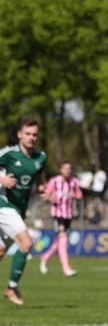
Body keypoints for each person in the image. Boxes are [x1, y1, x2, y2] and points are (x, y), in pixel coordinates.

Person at [0, 119, 48, 306]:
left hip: (17, 210)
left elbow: (40, 176)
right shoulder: (9, 153)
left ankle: (11, 287)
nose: (31, 138)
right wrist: (2, 180)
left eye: (35, 134)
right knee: (26, 243)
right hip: (3, 204)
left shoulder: (40, 157)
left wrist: (44, 189)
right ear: (20, 134)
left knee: (1, 250)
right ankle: (11, 287)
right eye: (28, 134)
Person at [39, 161, 82, 277]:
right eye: (65, 169)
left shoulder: (74, 181)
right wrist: (50, 197)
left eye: (69, 169)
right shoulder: (54, 181)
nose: (68, 171)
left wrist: (74, 195)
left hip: (68, 215)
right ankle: (66, 268)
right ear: (61, 169)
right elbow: (45, 195)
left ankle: (45, 257)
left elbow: (79, 195)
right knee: (63, 238)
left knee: (59, 242)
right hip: (57, 215)